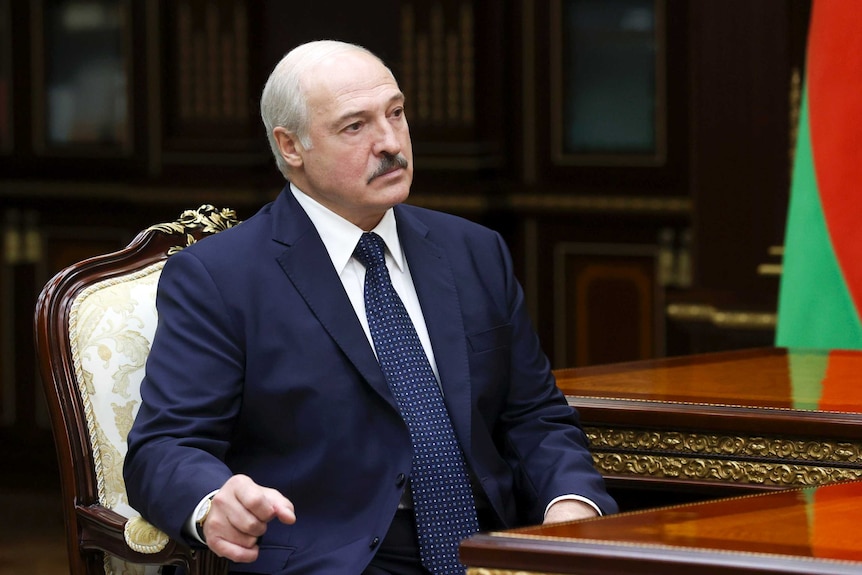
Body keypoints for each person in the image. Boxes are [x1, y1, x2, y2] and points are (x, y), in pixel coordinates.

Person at [124, 39, 617, 575]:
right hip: (332, 558)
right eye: (355, 126)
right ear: (292, 146)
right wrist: (213, 501)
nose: (390, 142)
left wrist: (570, 503)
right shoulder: (221, 277)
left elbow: (534, 415)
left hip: (491, 548)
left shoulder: (473, 251)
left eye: (396, 113)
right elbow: (164, 446)